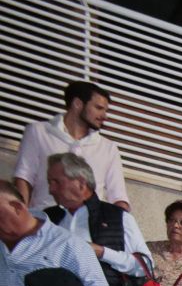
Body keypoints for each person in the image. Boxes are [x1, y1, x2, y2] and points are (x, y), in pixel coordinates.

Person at [13, 81, 128, 212]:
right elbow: (24, 177)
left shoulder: (108, 148)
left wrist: (119, 226)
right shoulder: (38, 132)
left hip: (87, 226)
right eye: (99, 108)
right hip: (43, 219)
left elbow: (118, 196)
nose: (104, 116)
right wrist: (22, 216)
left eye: (106, 110)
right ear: (77, 104)